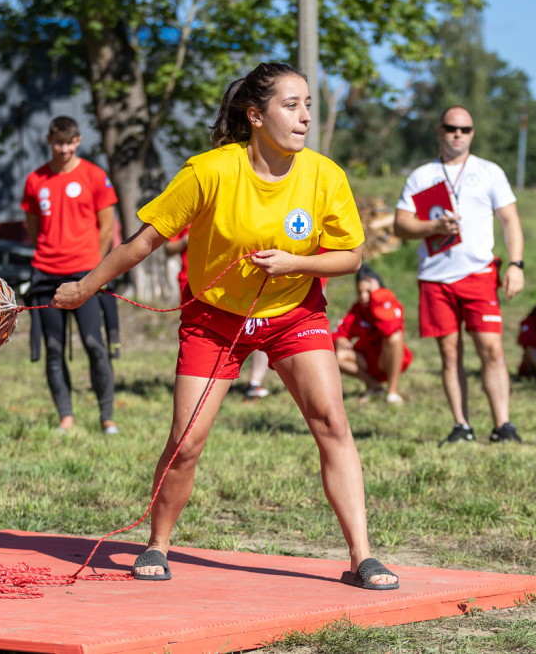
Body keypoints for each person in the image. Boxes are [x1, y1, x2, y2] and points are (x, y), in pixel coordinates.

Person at [52, 63, 398, 589]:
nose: (305, 116)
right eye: (291, 105)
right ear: (255, 115)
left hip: (293, 313)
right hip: (214, 320)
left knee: (333, 423)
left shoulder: (325, 175)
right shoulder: (209, 170)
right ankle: (157, 545)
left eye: (308, 104)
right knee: (186, 441)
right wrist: (84, 286)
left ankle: (362, 557)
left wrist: (294, 264)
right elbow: (141, 243)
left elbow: (351, 256)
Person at [394, 106, 525, 445]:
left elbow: (510, 221)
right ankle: (461, 425)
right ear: (439, 131)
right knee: (450, 354)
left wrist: (516, 264)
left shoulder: (489, 171)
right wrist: (433, 227)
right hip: (436, 278)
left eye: (464, 129)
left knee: (492, 350)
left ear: (472, 133)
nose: (457, 134)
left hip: (478, 274)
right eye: (451, 128)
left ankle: (503, 425)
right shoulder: (421, 175)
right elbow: (401, 225)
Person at [22, 116, 119, 435]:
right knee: (53, 347)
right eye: (58, 143)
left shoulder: (94, 175)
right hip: (46, 274)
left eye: (70, 142)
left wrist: (96, 268)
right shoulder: (36, 179)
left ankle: (107, 418)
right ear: (49, 140)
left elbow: (107, 226)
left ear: (78, 141)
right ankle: (66, 417)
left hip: (85, 275)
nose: (64, 149)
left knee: (94, 344)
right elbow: (33, 228)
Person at [166, 224, 272, 399]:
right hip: (193, 284)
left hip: (233, 283)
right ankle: (205, 380)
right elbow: (168, 248)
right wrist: (186, 240)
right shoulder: (187, 214)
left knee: (256, 325)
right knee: (202, 336)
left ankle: (253, 381)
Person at [332, 263, 412, 403]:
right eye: (360, 292)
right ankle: (374, 385)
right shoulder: (357, 310)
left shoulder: (391, 304)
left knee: (394, 337)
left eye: (368, 292)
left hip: (388, 359)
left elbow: (390, 329)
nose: (364, 297)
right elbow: (340, 330)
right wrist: (338, 339)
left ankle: (392, 392)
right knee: (338, 356)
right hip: (368, 359)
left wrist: (378, 300)